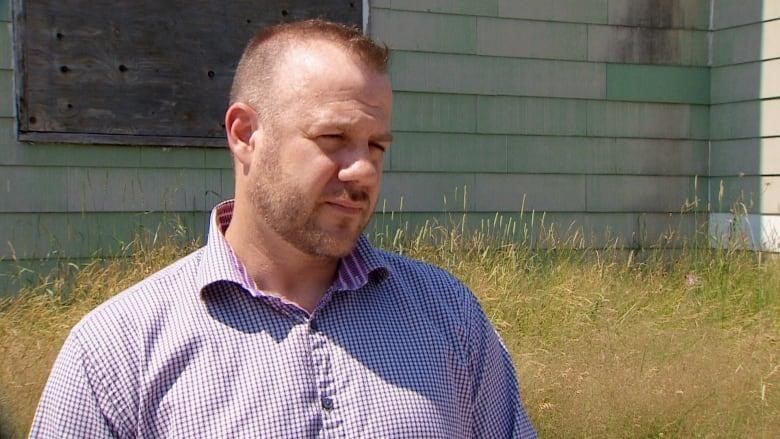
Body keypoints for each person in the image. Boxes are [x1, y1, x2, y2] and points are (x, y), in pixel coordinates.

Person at [30, 19, 537, 438]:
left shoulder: (449, 317)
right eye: (333, 137)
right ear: (245, 134)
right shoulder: (116, 355)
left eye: (377, 146)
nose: (363, 170)